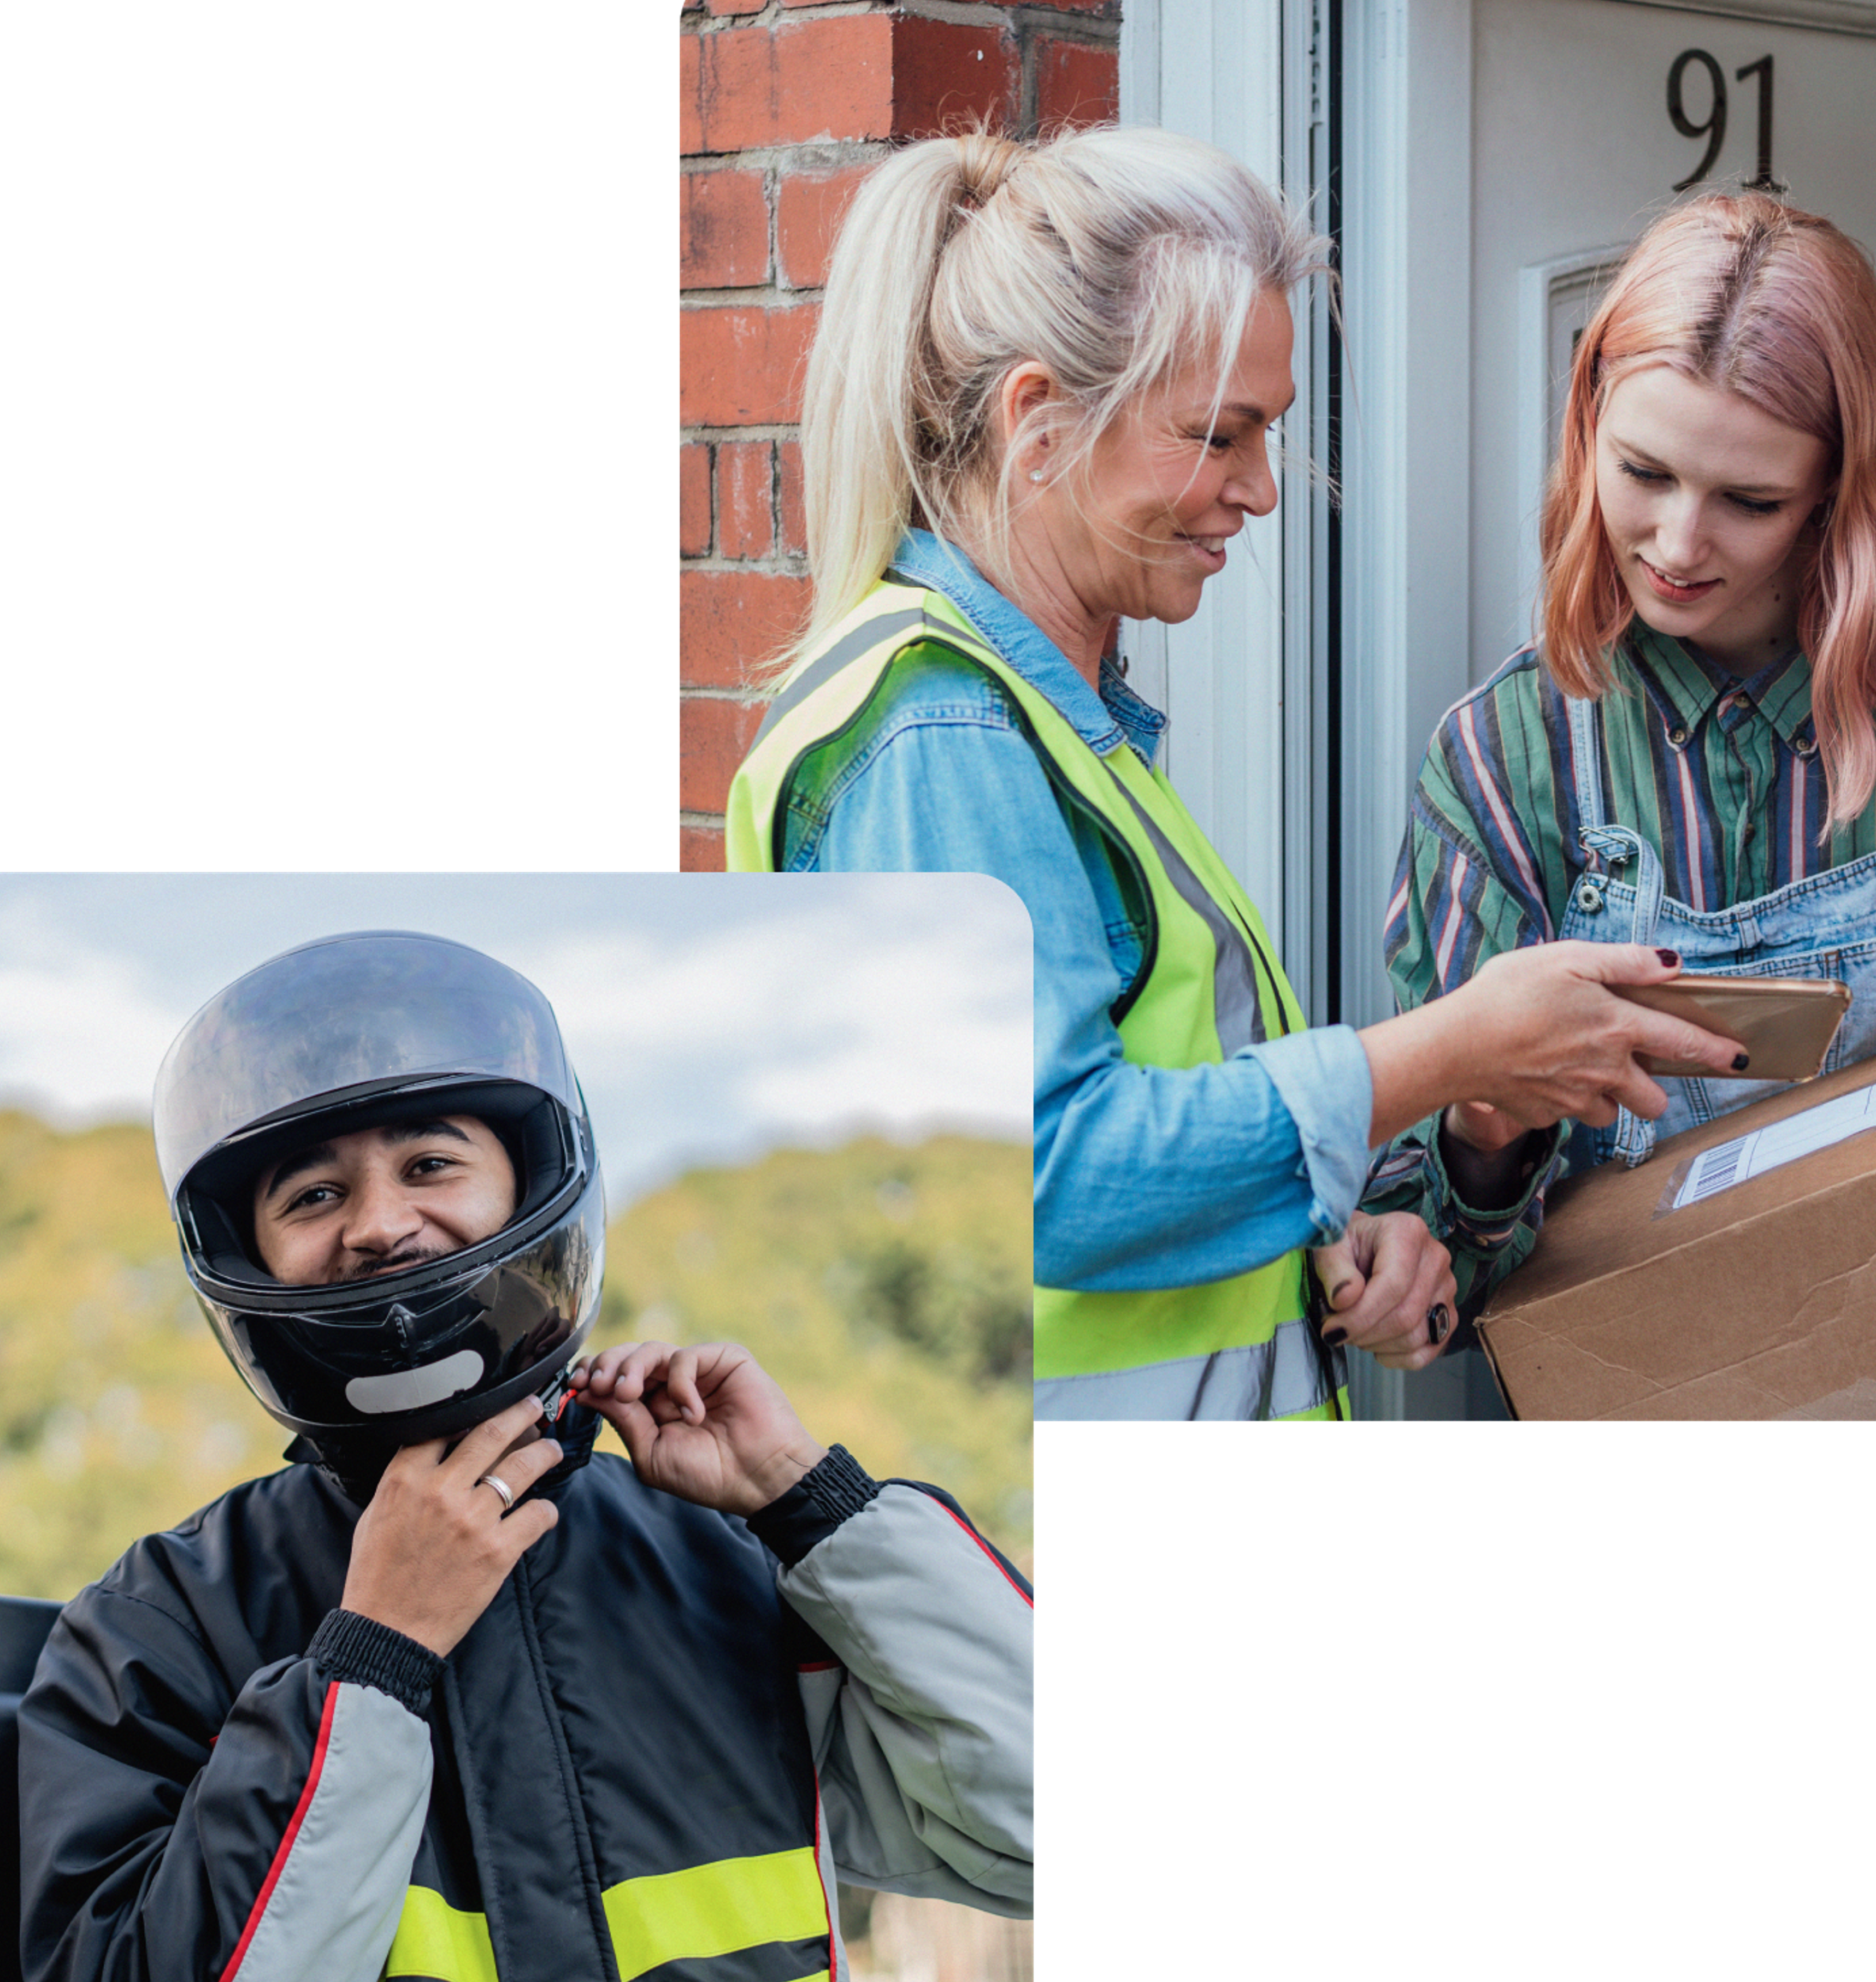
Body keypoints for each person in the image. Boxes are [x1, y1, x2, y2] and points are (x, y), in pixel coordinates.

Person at [723, 120, 1744, 1419]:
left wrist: (1307, 1248)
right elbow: (1044, 1182)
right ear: (1039, 420)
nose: (1262, 491)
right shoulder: (945, 735)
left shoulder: (1053, 718)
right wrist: (1445, 1051)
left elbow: (1125, 1145)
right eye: (1219, 434)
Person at [15, 930, 1035, 1982]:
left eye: (432, 1164)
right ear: (246, 1254)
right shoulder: (158, 1623)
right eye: (312, 1194)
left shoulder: (724, 1560)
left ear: (531, 1184)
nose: (381, 1224)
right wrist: (376, 1657)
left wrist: (811, 1505)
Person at [1364, 189, 1876, 1420]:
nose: (1678, 541)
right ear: (1587, 428)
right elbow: (1438, 1240)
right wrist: (1471, 1151)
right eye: (1644, 473)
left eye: (1750, 502)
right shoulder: (1507, 763)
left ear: (1842, 491)